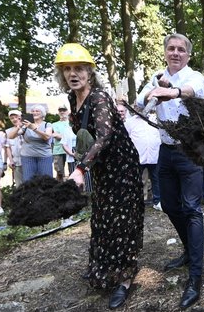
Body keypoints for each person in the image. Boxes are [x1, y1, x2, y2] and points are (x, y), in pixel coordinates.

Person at [55, 42, 144, 309]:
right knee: (103, 216)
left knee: (122, 220)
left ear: (90, 72)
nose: (73, 74)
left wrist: (81, 169)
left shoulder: (99, 97)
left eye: (79, 69)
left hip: (122, 165)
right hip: (103, 166)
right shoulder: (73, 98)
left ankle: (124, 279)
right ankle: (102, 267)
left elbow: (105, 135)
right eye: (67, 69)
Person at [137, 33, 204, 309]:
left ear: (188, 55)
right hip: (165, 150)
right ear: (165, 52)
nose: (176, 53)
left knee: (192, 208)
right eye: (171, 49)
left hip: (190, 151)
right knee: (167, 204)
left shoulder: (194, 77)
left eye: (181, 50)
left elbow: (191, 92)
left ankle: (196, 277)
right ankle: (189, 251)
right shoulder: (156, 77)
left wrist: (173, 91)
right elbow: (141, 102)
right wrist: (153, 90)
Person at [118, 102, 162, 210]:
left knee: (156, 179)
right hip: (138, 158)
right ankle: (136, 201)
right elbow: (125, 139)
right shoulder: (130, 122)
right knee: (136, 180)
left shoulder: (155, 120)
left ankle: (158, 201)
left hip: (154, 156)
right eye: (139, 108)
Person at [18, 105, 54, 182]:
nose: (35, 112)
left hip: (44, 156)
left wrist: (34, 128)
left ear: (43, 114)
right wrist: (18, 126)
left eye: (37, 111)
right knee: (28, 182)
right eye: (33, 111)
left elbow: (47, 137)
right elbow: (13, 135)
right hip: (28, 156)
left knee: (46, 181)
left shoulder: (47, 125)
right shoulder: (25, 125)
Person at [4, 110, 24, 187]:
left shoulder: (27, 127)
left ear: (20, 117)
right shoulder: (8, 131)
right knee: (19, 184)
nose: (14, 119)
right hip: (16, 161)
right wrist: (11, 160)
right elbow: (8, 147)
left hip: (28, 159)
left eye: (16, 117)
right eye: (12, 118)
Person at [52, 106, 71, 180]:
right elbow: (55, 135)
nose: (62, 112)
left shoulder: (72, 122)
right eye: (60, 111)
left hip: (71, 149)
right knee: (59, 171)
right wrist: (68, 137)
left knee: (73, 170)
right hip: (59, 150)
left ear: (68, 111)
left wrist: (61, 136)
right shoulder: (54, 124)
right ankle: (59, 189)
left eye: (64, 110)